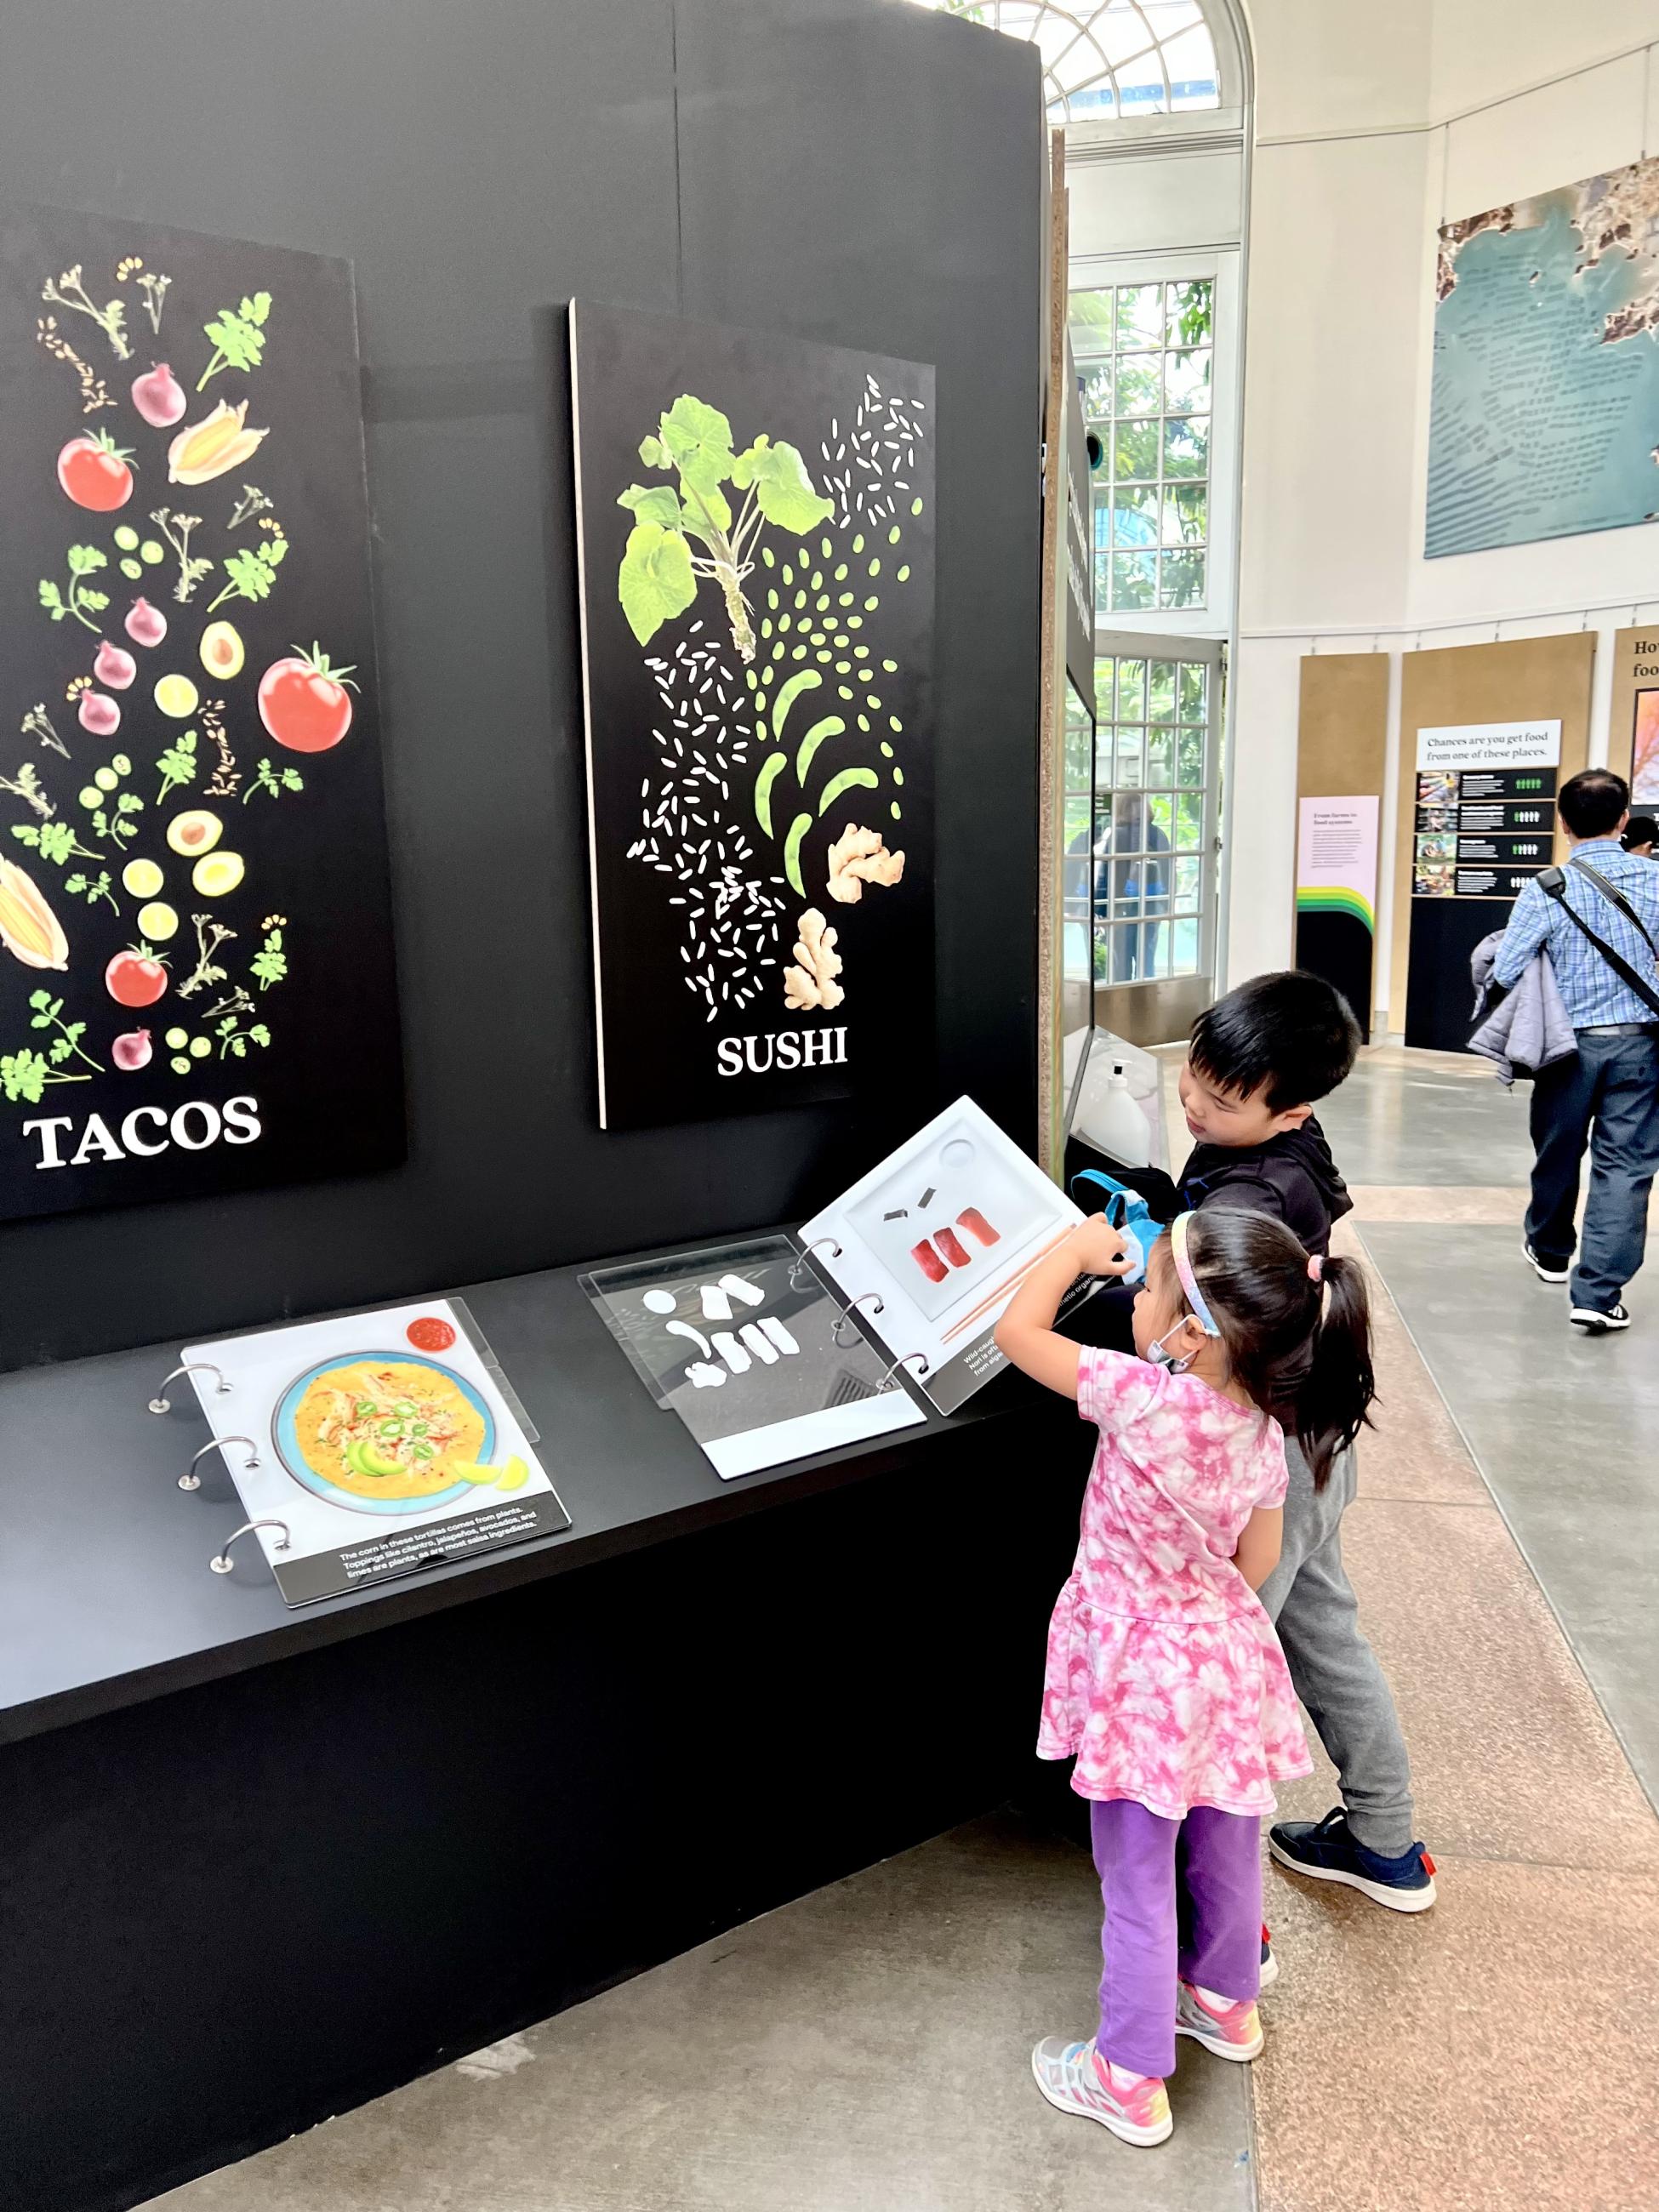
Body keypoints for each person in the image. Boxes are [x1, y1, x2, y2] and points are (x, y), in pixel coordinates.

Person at [995, 1206, 1373, 2149]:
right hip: (1225, 1662)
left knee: (1133, 1874)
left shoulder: (1137, 1394)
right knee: (1226, 1843)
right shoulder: (1263, 1430)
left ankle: (1126, 2070)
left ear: (1194, 1328)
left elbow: (1017, 1334)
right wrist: (1191, 1607)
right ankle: (1224, 1999)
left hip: (1139, 1679)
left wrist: (1071, 1252)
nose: (1133, 1293)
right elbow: (1257, 1557)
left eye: (1151, 1284)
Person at [1072, 972, 1437, 1913]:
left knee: (1217, 1673)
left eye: (1220, 1100)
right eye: (1192, 1074)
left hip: (1262, 1469)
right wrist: (1166, 1190)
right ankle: (1386, 1838)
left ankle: (1222, 1918)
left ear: (1292, 1109)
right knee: (1322, 1631)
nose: (1192, 1101)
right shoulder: (1284, 1152)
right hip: (1309, 1445)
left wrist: (1089, 1288)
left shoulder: (1264, 1194)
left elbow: (1186, 1321)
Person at [1494, 767, 1659, 1334]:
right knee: (1626, 1166)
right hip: (1641, 1047)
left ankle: (1550, 1251)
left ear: (1561, 824)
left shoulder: (1545, 888)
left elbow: (1507, 969)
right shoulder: (1656, 881)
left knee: (1558, 1149)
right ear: (1622, 821)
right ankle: (1598, 1293)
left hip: (1566, 1049)